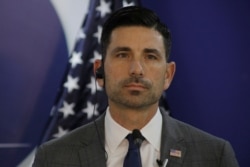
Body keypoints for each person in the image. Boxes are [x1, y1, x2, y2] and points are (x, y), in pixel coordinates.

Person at [32, 6, 239, 167]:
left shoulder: (214, 155)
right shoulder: (53, 157)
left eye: (150, 56)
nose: (136, 69)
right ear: (99, 72)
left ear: (168, 75)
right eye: (123, 55)